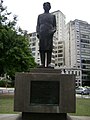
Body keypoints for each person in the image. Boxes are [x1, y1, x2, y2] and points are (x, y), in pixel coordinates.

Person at [36, 2, 56, 67]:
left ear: (50, 7)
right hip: (42, 33)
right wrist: (38, 32)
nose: (46, 7)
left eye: (48, 6)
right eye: (45, 6)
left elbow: (55, 26)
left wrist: (52, 31)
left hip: (49, 33)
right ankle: (42, 63)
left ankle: (49, 63)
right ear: (43, 7)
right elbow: (38, 25)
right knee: (42, 49)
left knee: (49, 49)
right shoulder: (40, 16)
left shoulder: (53, 16)